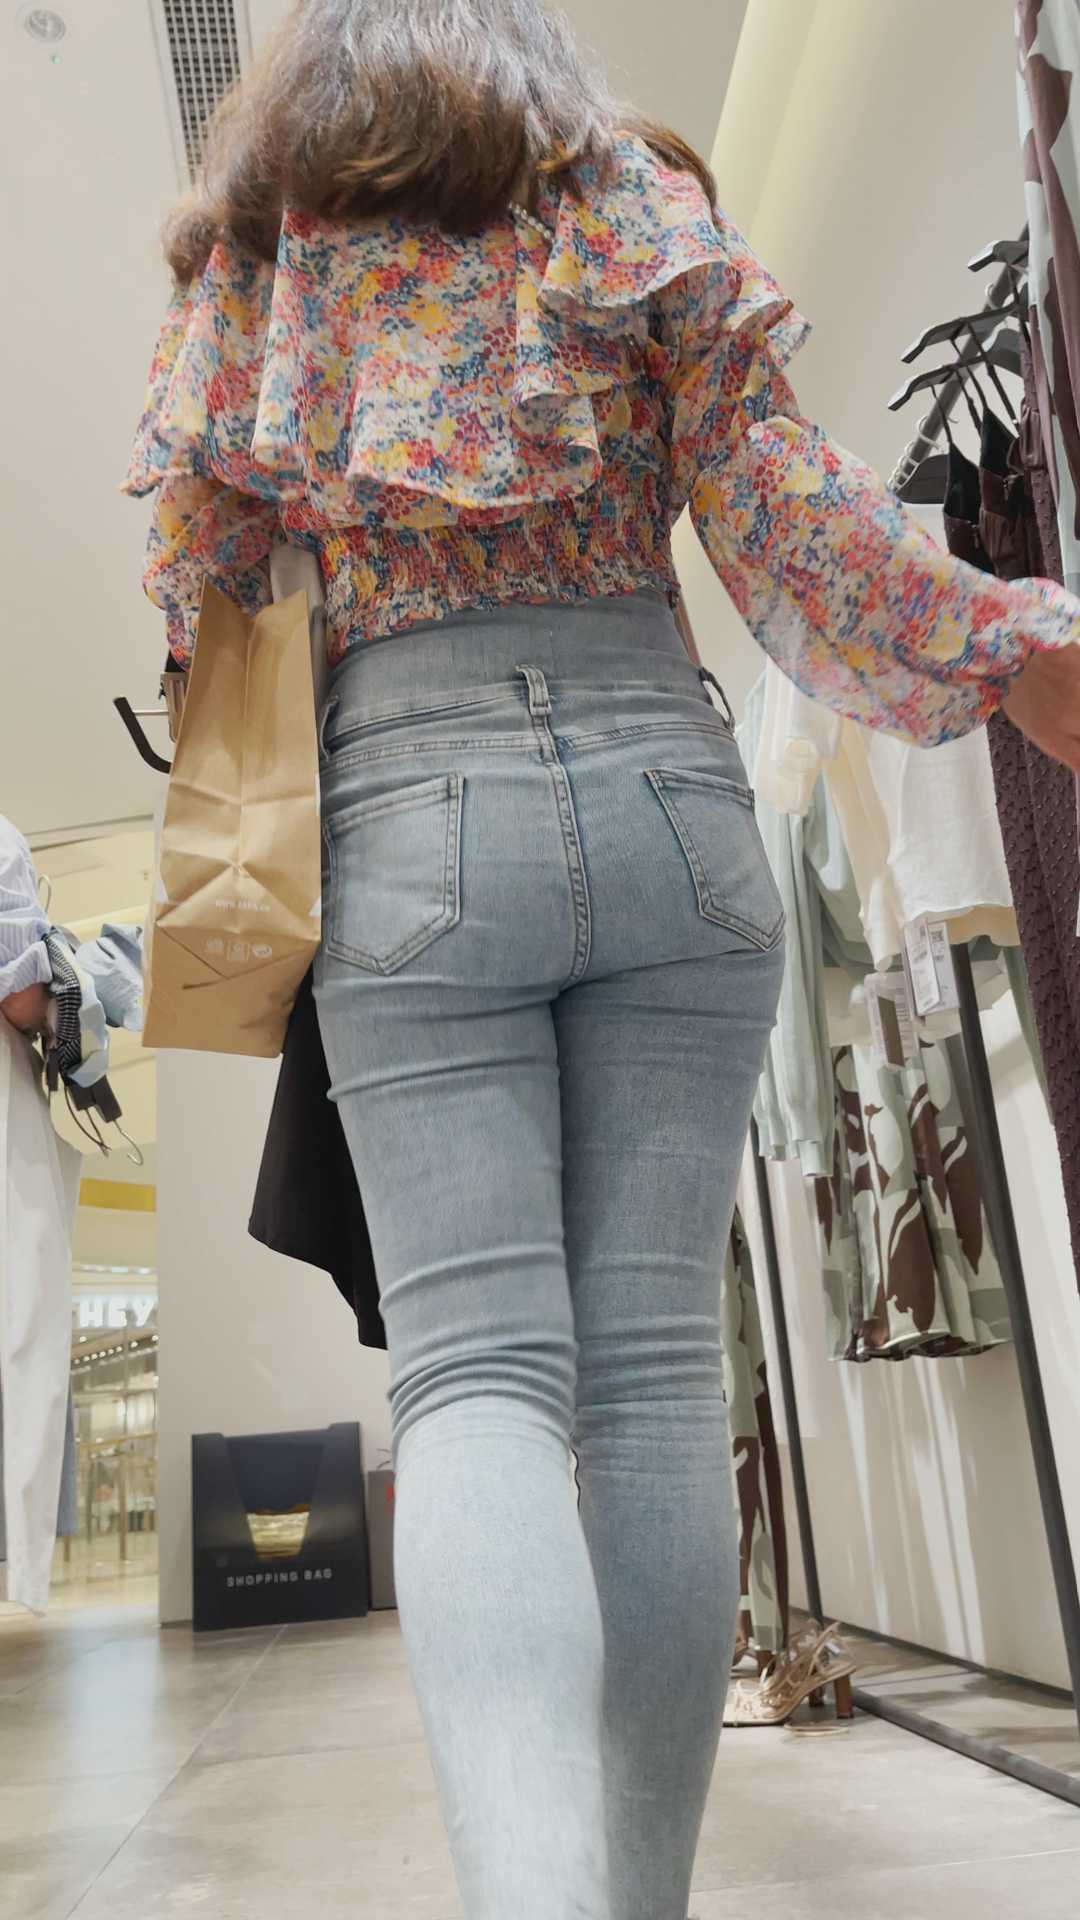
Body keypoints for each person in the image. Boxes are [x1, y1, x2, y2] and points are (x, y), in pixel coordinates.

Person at [125, 5, 1080, 1915]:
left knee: (479, 1383)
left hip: (411, 821)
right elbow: (788, 521)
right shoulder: (625, 195)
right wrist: (1009, 643)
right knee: (648, 1386)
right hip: (670, 799)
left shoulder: (265, 246)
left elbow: (202, 599)